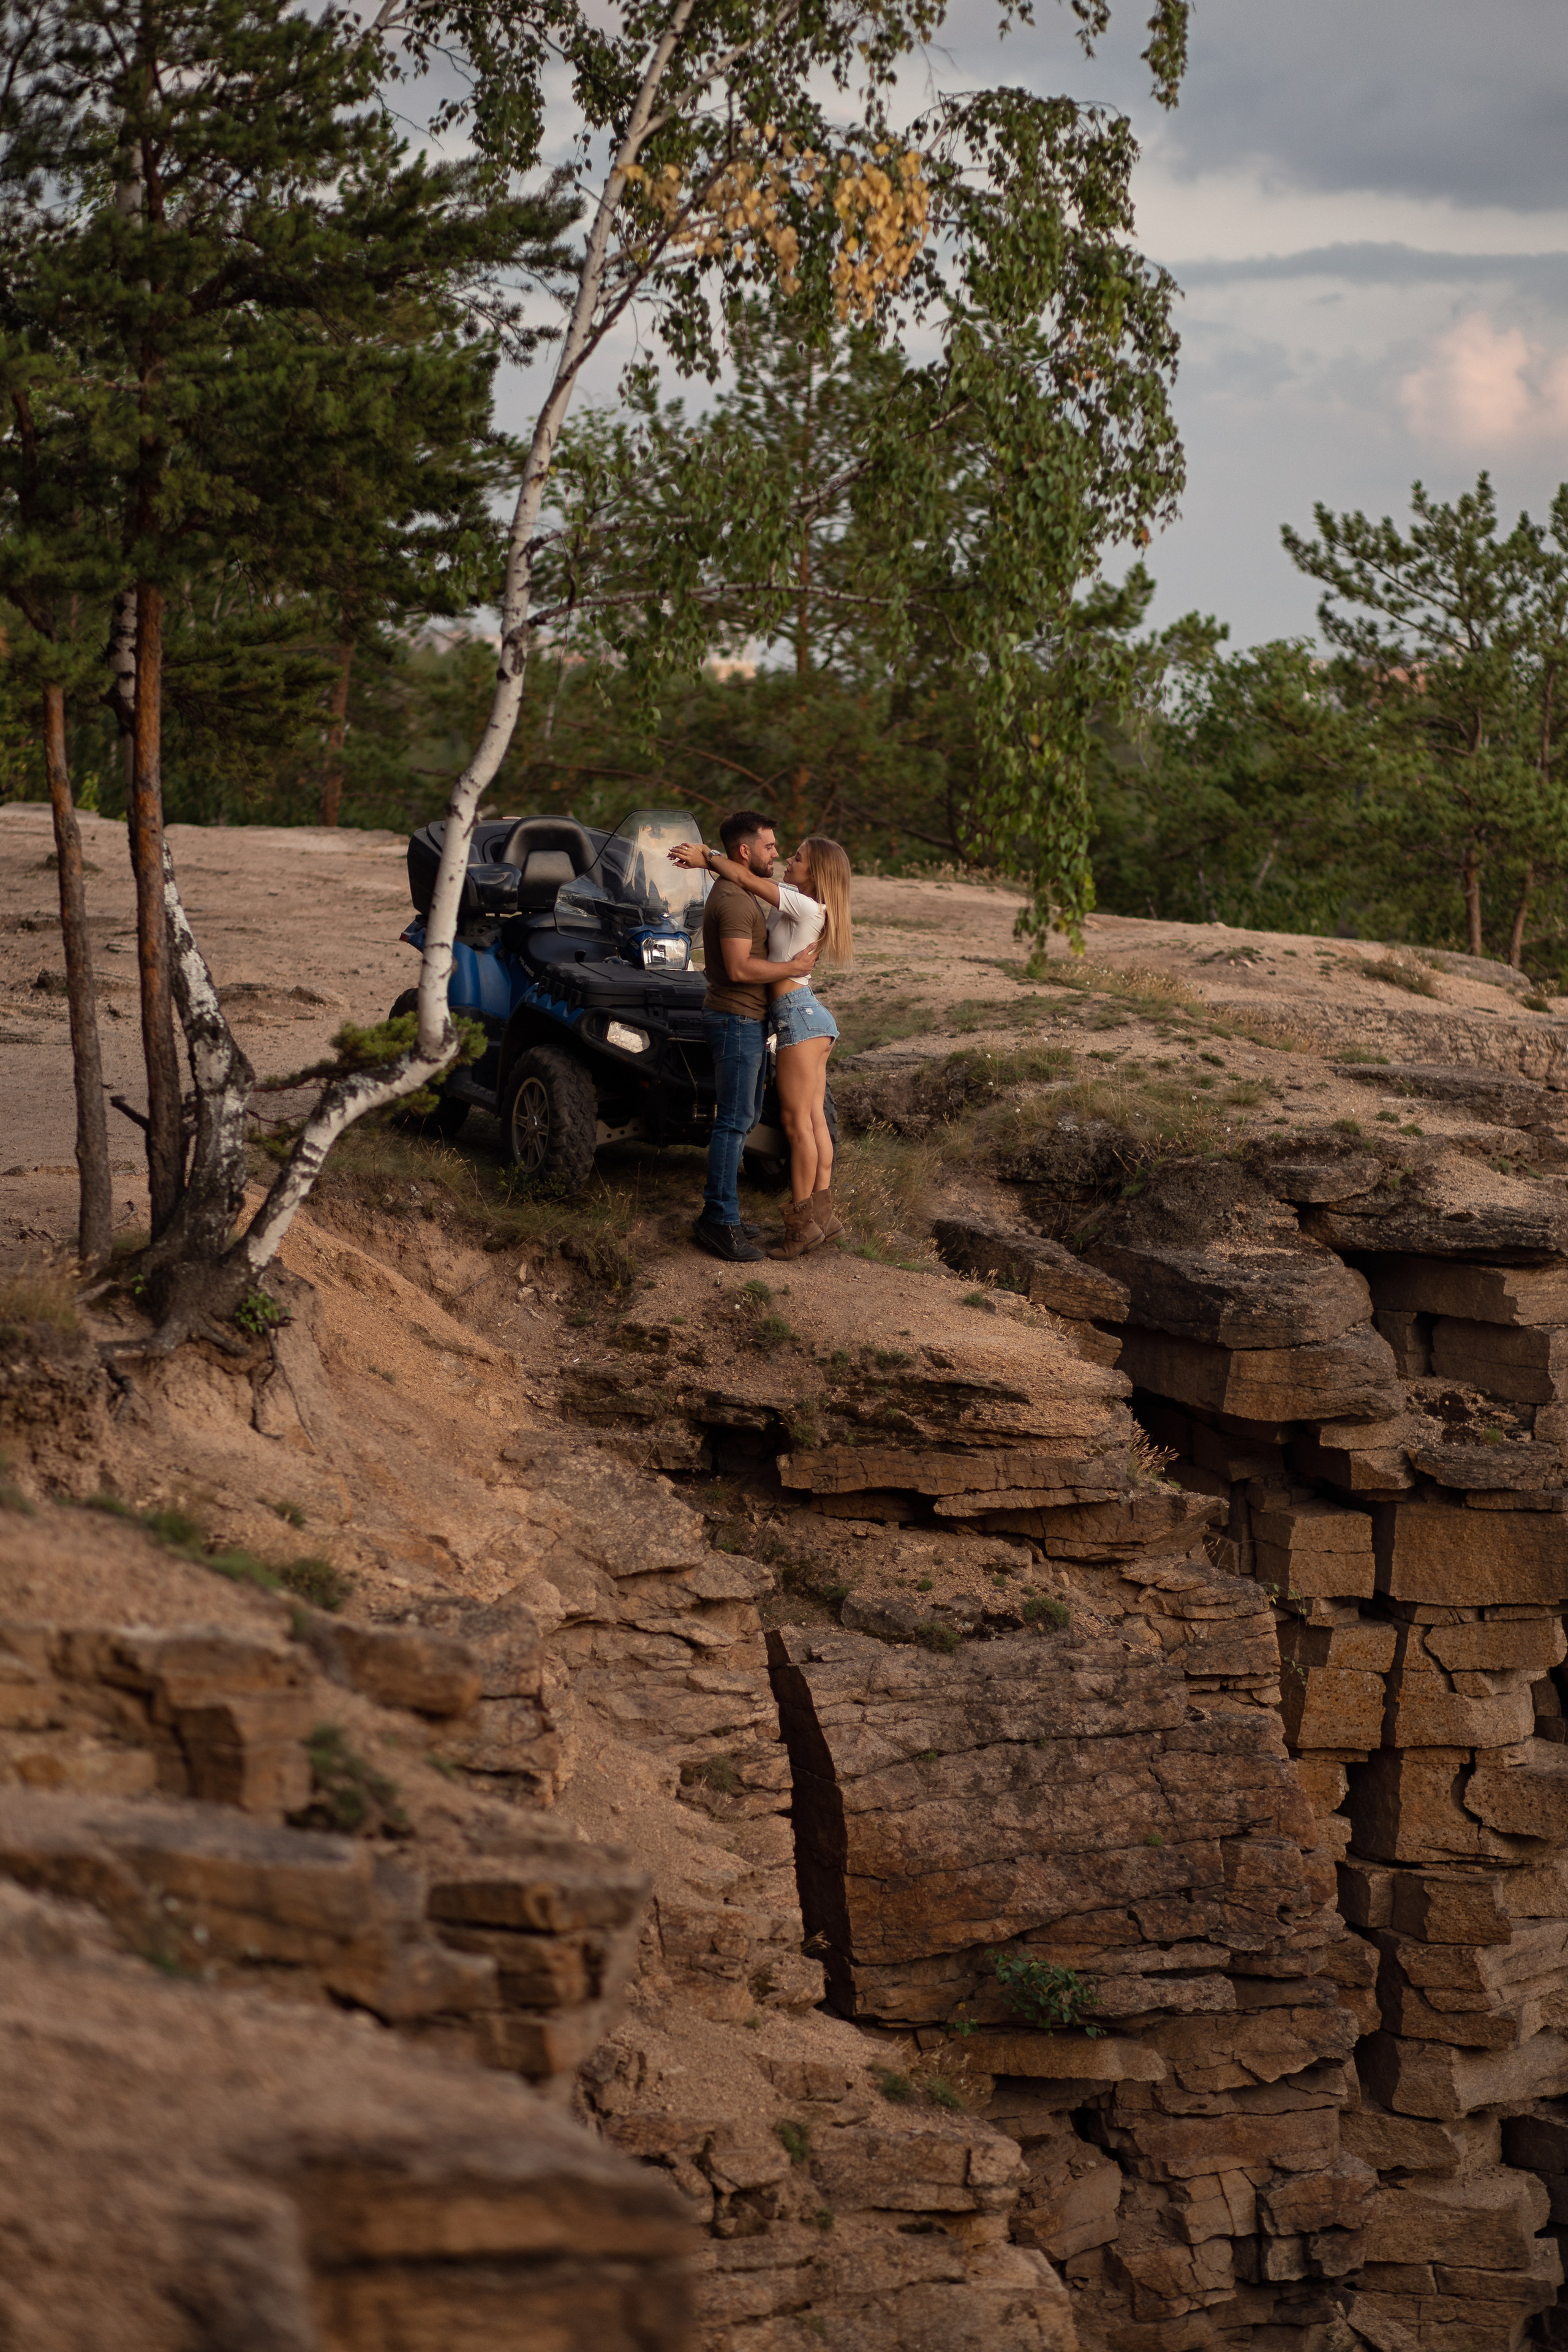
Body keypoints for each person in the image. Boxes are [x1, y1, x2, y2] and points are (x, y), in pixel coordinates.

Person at [674, 828, 852, 1261]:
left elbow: (751, 881)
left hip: (795, 1015)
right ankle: (823, 1216)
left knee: (797, 1127)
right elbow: (750, 876)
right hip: (809, 1015)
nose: (787, 861)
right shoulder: (800, 898)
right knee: (812, 1122)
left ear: (817, 872)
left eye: (796, 858)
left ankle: (800, 1227)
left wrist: (706, 856)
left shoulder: (804, 903)